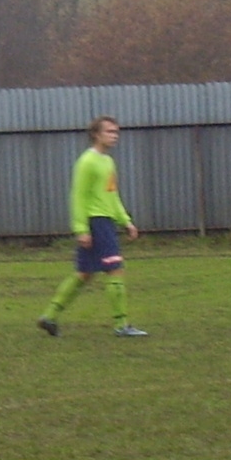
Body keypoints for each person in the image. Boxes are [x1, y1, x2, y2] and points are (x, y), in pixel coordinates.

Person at [37, 115, 148, 338]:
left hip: (105, 221)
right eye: (109, 131)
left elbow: (111, 194)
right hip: (96, 223)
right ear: (96, 134)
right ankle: (121, 325)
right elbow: (78, 196)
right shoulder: (87, 161)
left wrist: (125, 220)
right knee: (115, 269)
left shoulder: (108, 162)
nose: (114, 136)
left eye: (116, 132)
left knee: (84, 273)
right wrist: (81, 229)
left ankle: (49, 316)